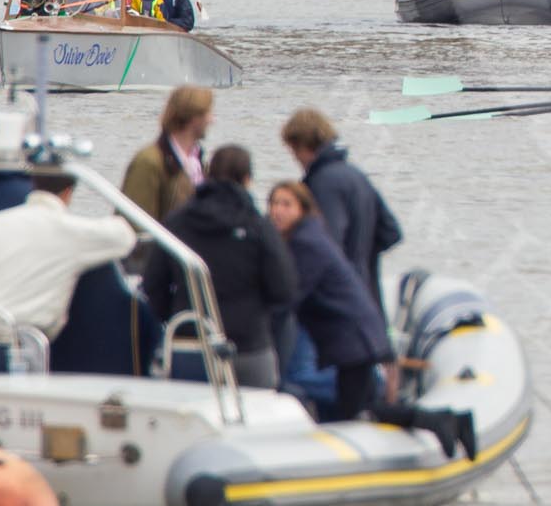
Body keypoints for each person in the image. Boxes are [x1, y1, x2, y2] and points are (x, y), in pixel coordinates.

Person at [144, 145, 296, 390]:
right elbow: (284, 289)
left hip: (190, 341)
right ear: (247, 180)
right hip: (248, 344)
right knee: (256, 418)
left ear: (206, 175)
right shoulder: (258, 226)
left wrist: (173, 314)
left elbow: (152, 283)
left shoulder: (177, 222)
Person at [0, 170, 138, 359]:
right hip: (30, 343)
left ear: (33, 183)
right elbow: (124, 237)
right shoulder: (69, 230)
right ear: (68, 192)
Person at [267, 181, 395, 422]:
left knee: (352, 413)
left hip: (353, 342)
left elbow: (291, 295)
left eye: (286, 204)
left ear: (303, 210)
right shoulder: (309, 235)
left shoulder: (305, 243)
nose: (277, 211)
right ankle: (438, 420)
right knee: (364, 408)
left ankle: (440, 420)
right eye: (274, 203)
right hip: (355, 340)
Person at [281, 110, 403, 314]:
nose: (295, 158)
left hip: (339, 305)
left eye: (293, 151)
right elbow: (391, 233)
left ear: (302, 145)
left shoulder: (321, 183)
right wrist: (361, 257)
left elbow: (328, 244)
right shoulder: (357, 175)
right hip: (368, 297)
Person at [121, 86, 212, 233]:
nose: (211, 120)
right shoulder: (149, 161)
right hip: (166, 251)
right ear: (194, 117)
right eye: (208, 113)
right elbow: (134, 225)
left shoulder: (197, 160)